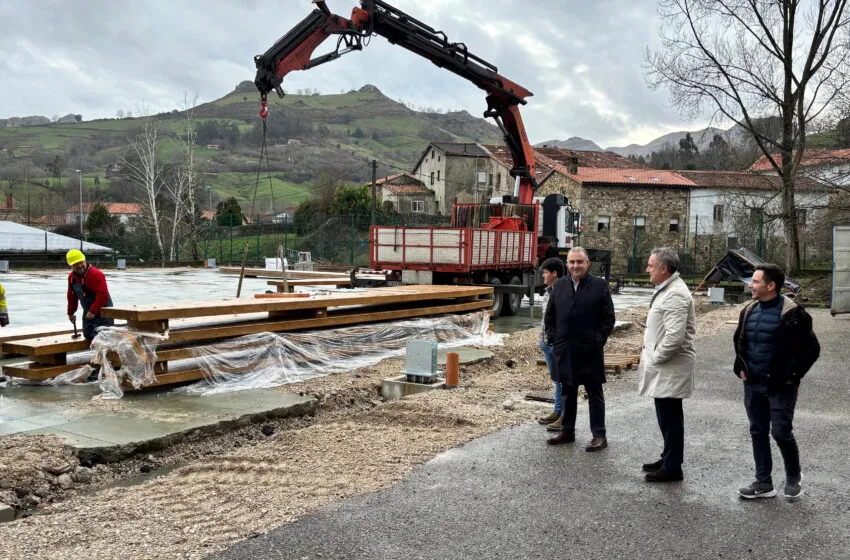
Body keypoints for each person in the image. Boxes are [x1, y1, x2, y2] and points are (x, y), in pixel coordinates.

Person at [733, 263, 819, 500]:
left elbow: (811, 349)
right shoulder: (748, 310)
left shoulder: (794, 314)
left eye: (756, 281)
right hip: (753, 385)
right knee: (758, 431)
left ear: (771, 286)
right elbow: (741, 343)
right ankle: (763, 483)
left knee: (781, 432)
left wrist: (792, 376)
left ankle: (793, 476)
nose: (751, 285)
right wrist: (739, 366)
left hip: (781, 387)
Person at [545, 247, 615, 451]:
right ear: (567, 264)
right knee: (568, 391)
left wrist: (598, 339)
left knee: (594, 393)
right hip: (565, 350)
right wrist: (554, 338)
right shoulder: (559, 286)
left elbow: (609, 318)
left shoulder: (599, 286)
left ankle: (599, 435)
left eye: (579, 262)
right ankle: (567, 431)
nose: (575, 266)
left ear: (587, 264)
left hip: (590, 349)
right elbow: (550, 316)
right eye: (572, 262)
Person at [638, 248, 695, 482]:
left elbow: (674, 337)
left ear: (664, 269)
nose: (647, 270)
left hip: (670, 366)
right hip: (665, 366)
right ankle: (668, 457)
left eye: (651, 266)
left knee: (671, 417)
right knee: (666, 416)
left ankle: (672, 467)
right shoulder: (667, 289)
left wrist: (655, 357)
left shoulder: (676, 294)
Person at [537, 257, 566, 431]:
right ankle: (557, 411)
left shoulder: (564, 292)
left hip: (557, 344)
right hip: (546, 342)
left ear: (554, 273)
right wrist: (542, 339)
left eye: (546, 273)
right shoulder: (548, 292)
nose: (543, 276)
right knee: (556, 379)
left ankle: (564, 416)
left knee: (562, 380)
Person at [66, 250, 114, 341]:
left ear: (85, 260)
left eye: (81, 262)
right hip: (88, 312)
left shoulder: (96, 274)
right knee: (88, 335)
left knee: (104, 339)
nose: (79, 266)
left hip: (104, 312)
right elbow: (71, 296)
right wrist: (70, 312)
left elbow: (103, 295)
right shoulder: (72, 278)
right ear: (71, 265)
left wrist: (93, 311)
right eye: (76, 264)